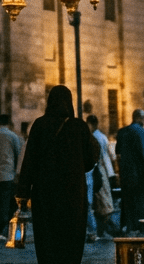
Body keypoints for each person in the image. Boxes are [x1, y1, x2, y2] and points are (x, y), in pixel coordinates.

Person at [16, 85, 100, 264]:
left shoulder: (40, 125)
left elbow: (29, 161)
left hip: (45, 193)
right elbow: (90, 161)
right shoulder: (79, 127)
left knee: (48, 239)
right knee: (71, 238)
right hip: (73, 194)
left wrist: (22, 192)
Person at [116, 109, 144, 233]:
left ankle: (127, 227)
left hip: (125, 175)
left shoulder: (121, 132)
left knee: (127, 203)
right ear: (140, 118)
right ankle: (138, 228)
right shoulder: (141, 132)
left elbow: (118, 154)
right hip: (139, 176)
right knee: (140, 205)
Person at [86, 115, 115, 238]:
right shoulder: (102, 136)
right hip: (104, 170)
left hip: (98, 170)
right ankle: (103, 229)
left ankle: (102, 230)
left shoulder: (95, 137)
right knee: (102, 201)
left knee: (101, 201)